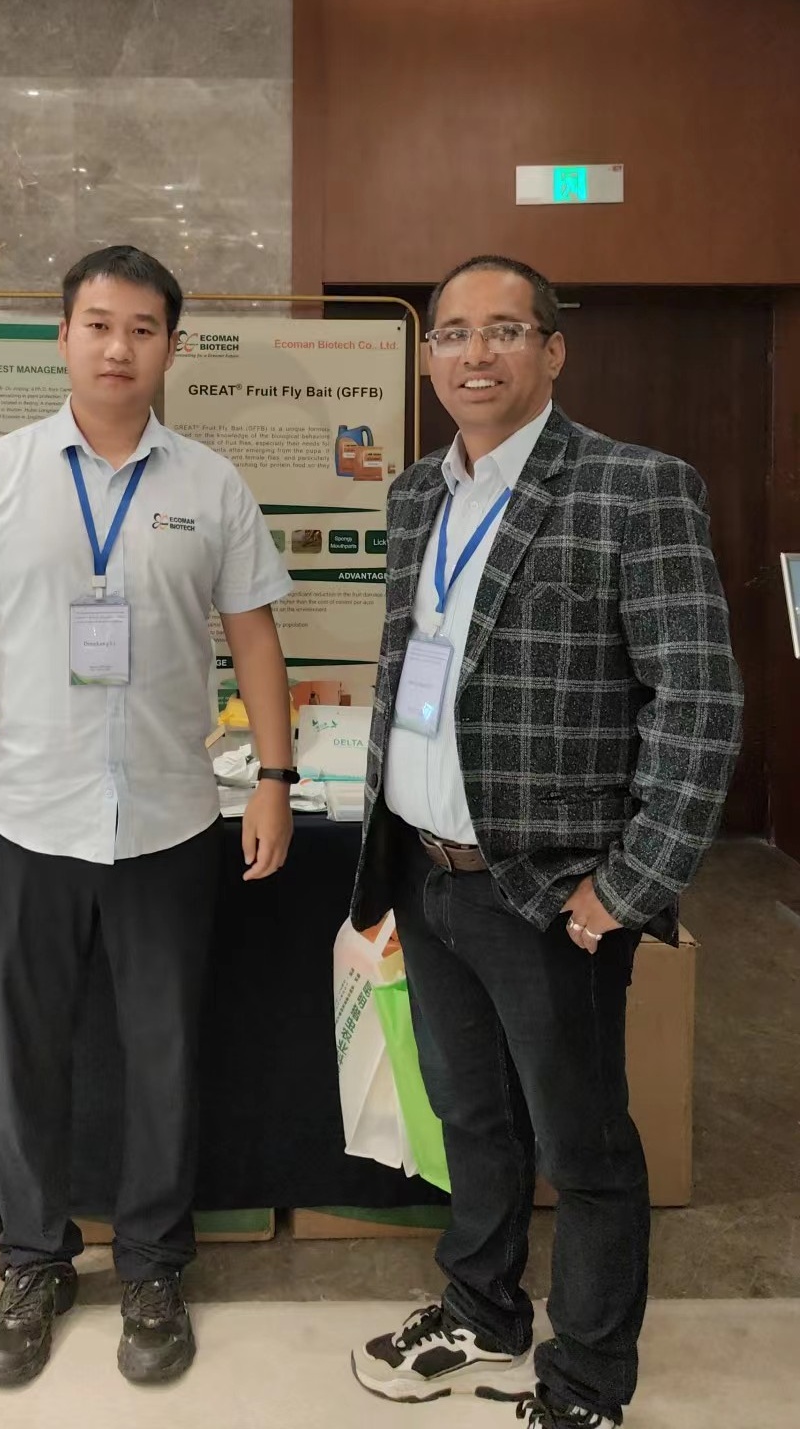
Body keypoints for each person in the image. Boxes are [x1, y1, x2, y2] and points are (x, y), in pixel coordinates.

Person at [349, 255, 743, 1427]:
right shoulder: (415, 494)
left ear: (554, 349)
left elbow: (699, 701)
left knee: (585, 1146)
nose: (475, 354)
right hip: (428, 870)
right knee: (470, 1116)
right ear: (428, 356)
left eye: (505, 330)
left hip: (552, 889)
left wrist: (631, 883)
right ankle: (482, 1309)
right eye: (453, 333)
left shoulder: (635, 487)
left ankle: (588, 1378)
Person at [0, 246, 296, 1389]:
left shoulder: (209, 485)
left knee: (164, 1056)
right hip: (28, 818)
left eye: (142, 329)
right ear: (63, 336)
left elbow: (255, 637)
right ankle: (33, 1263)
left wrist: (273, 777)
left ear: (171, 345)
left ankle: (155, 1266)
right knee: (27, 1054)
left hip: (169, 823)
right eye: (98, 324)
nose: (119, 348)